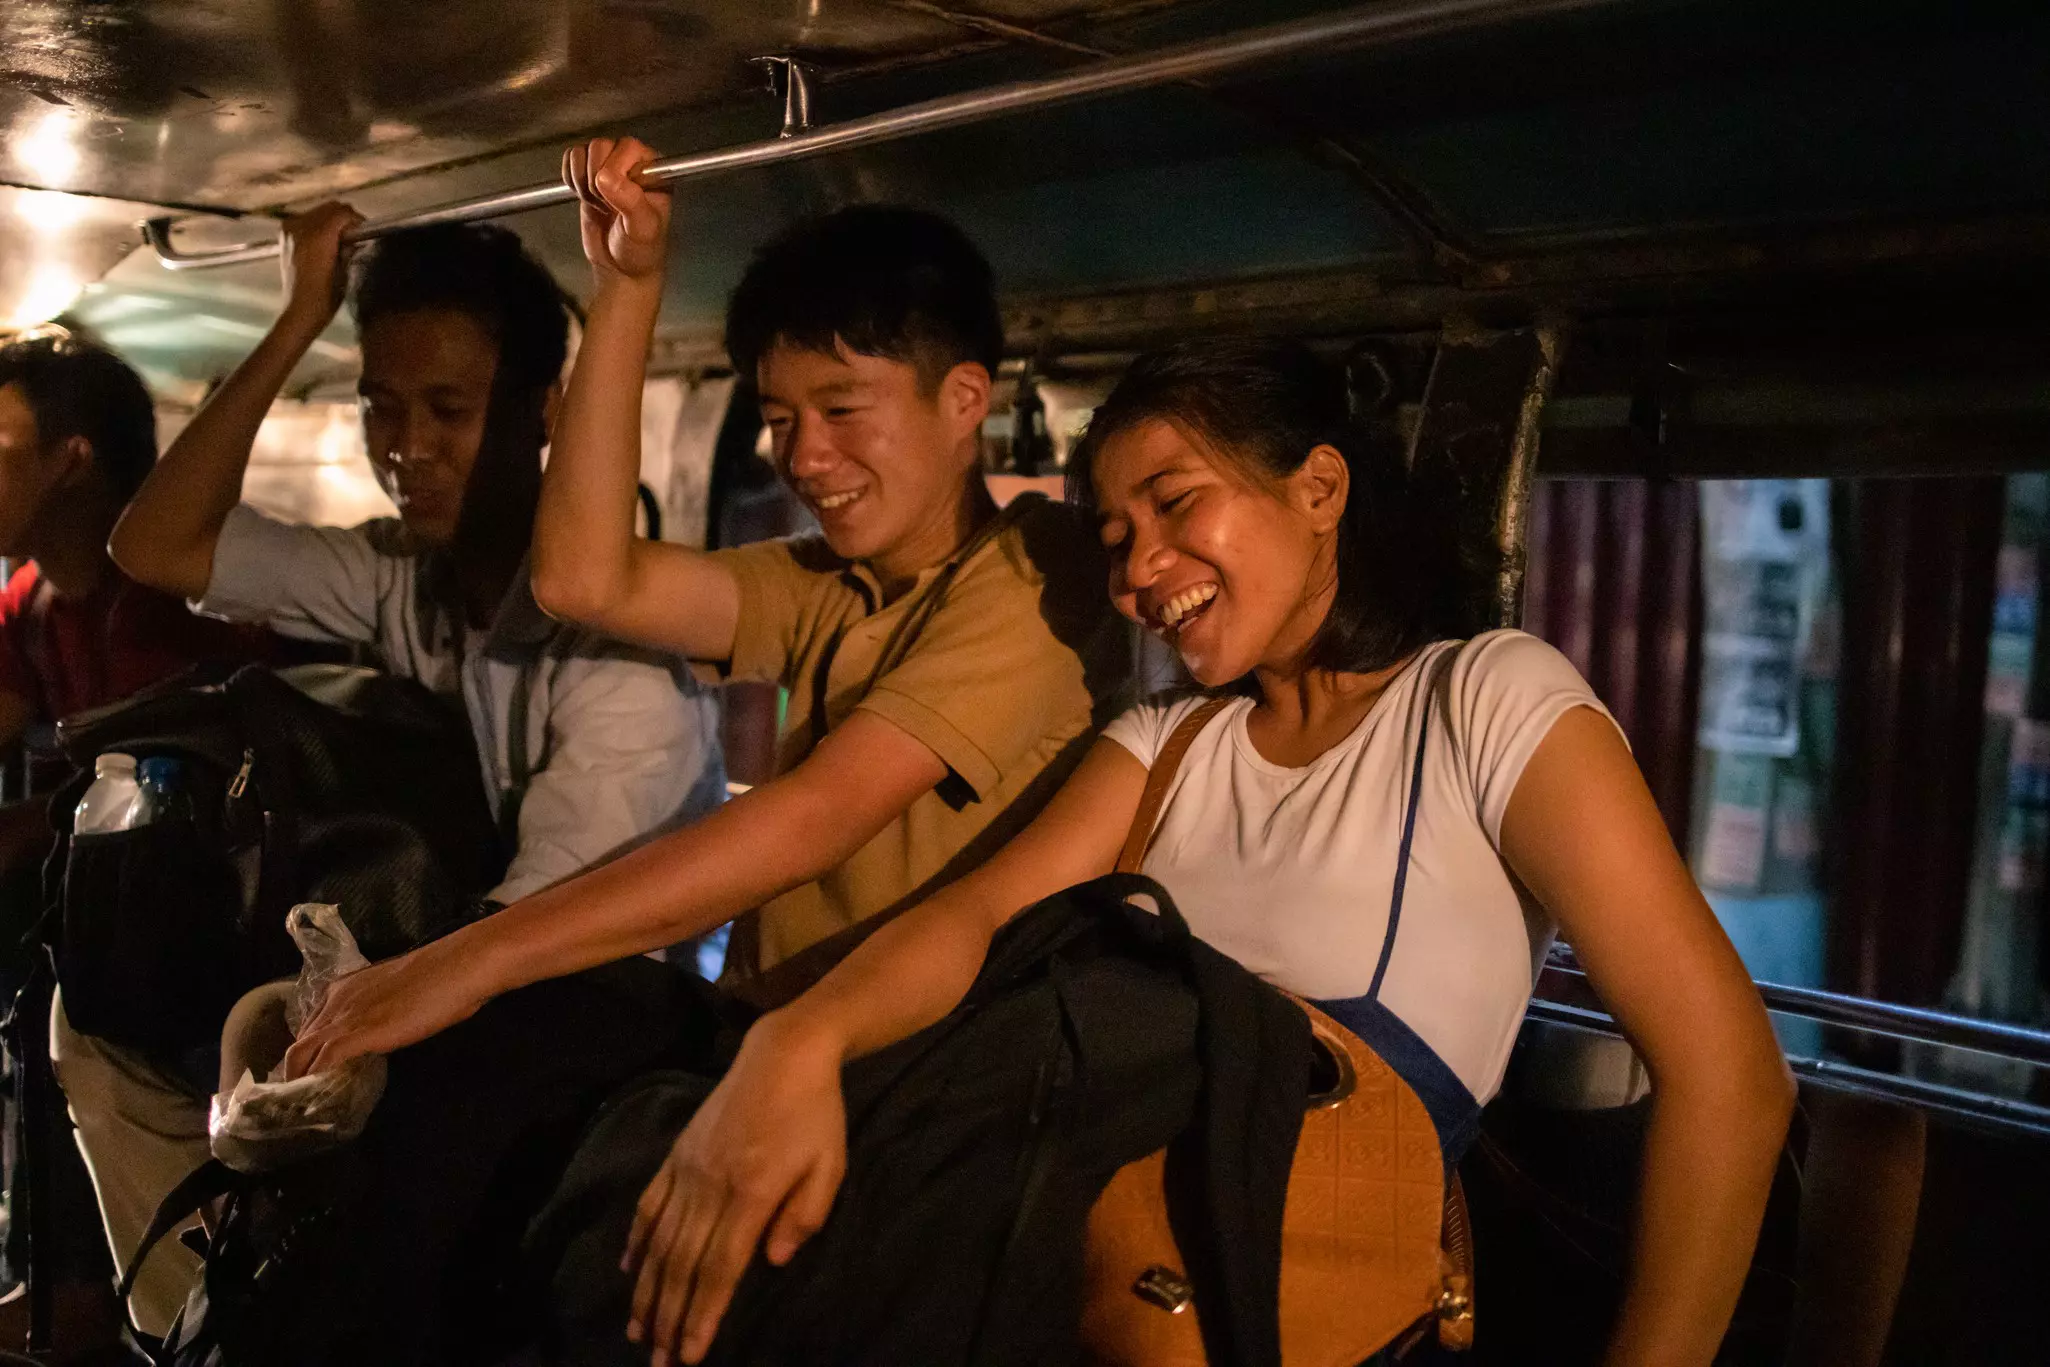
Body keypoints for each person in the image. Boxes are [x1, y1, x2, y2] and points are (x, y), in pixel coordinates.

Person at [605, 338, 1799, 1367]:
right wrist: (796, 1040)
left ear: (1319, 486)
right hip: (1079, 1285)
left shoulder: (1482, 699)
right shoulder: (1165, 742)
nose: (1137, 573)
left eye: (1177, 506)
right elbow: (970, 920)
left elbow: (1731, 1077)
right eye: (1118, 537)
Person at [283, 139, 1129, 1088]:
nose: (803, 458)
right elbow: (580, 582)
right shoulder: (820, 584)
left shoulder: (1036, 569)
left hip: (934, 1081)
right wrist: (630, 287)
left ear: (965, 399)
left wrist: (466, 962)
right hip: (775, 1050)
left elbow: (815, 815)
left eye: (842, 410)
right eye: (780, 419)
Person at [64, 215, 724, 1342]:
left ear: (542, 412)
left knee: (338, 1099)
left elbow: (534, 930)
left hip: (589, 1008)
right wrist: (297, 320)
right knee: (104, 1017)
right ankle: (192, 1322)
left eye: (449, 410)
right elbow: (158, 547)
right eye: (380, 402)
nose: (404, 444)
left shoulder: (625, 658)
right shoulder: (399, 576)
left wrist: (330, 1019)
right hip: (451, 953)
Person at [0, 331, 282, 1361]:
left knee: (64, 995)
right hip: (115, 906)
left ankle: (110, 1299)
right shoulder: (34, 602)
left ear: (71, 459)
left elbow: (150, 803)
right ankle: (60, 1279)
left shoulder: (163, 609)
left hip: (216, 921)